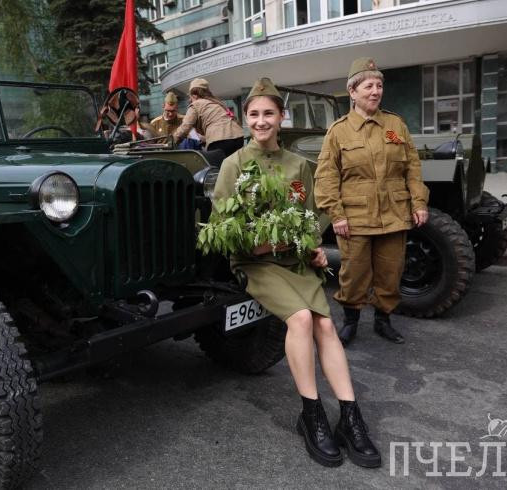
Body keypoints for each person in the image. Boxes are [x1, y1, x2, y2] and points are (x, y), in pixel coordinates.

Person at [214, 77, 381, 469]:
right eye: (253, 114)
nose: (261, 121)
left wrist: (315, 249)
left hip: (295, 262)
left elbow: (308, 219)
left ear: (281, 117)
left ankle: (350, 417)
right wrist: (269, 245)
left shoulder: (297, 166)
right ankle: (312, 414)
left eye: (268, 113)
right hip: (257, 263)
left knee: (325, 325)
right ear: (245, 120)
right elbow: (226, 231)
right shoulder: (234, 165)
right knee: (303, 318)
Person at [314, 57, 430, 346]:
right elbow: (326, 176)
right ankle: (350, 322)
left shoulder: (395, 124)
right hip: (355, 218)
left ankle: (383, 321)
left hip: (393, 213)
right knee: (353, 274)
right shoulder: (338, 131)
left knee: (391, 272)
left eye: (379, 85)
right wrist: (336, 214)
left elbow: (412, 168)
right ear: (352, 92)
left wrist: (418, 202)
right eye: (369, 86)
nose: (376, 91)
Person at [173, 78, 244, 157]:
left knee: (213, 167)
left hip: (220, 141)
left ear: (193, 95)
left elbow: (185, 128)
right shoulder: (216, 103)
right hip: (239, 137)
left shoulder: (196, 105)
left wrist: (172, 141)